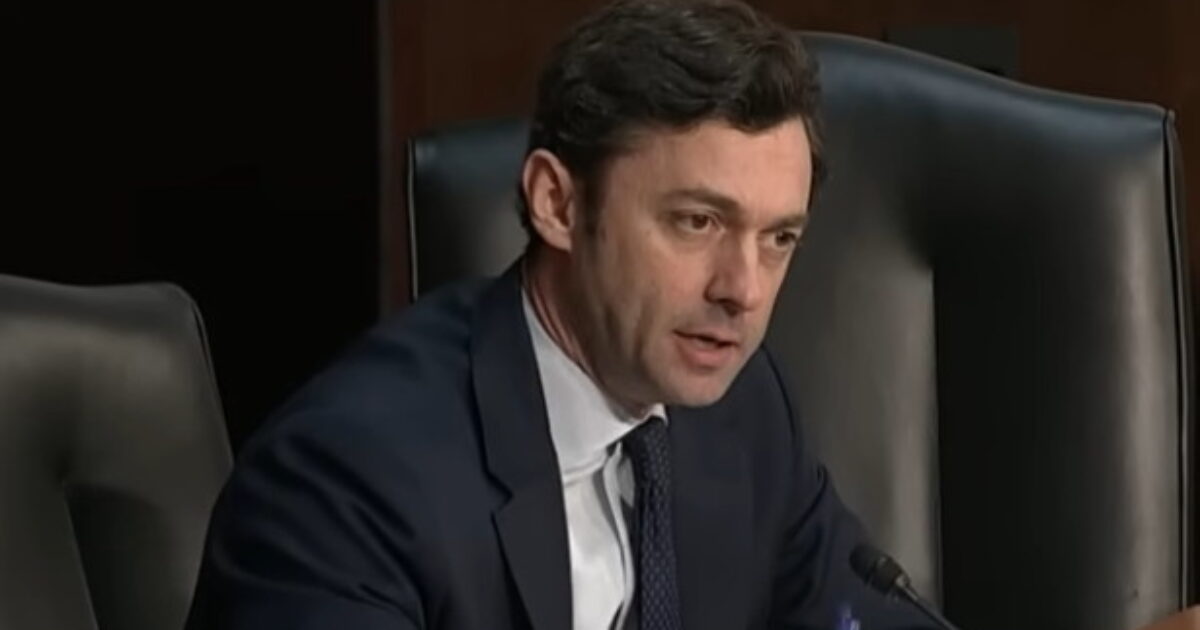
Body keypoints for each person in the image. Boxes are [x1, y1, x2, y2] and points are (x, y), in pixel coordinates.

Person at [187, 1, 938, 628]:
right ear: (558, 204)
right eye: (697, 222)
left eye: (778, 239)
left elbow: (855, 614)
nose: (743, 289)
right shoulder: (349, 479)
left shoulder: (744, 413)